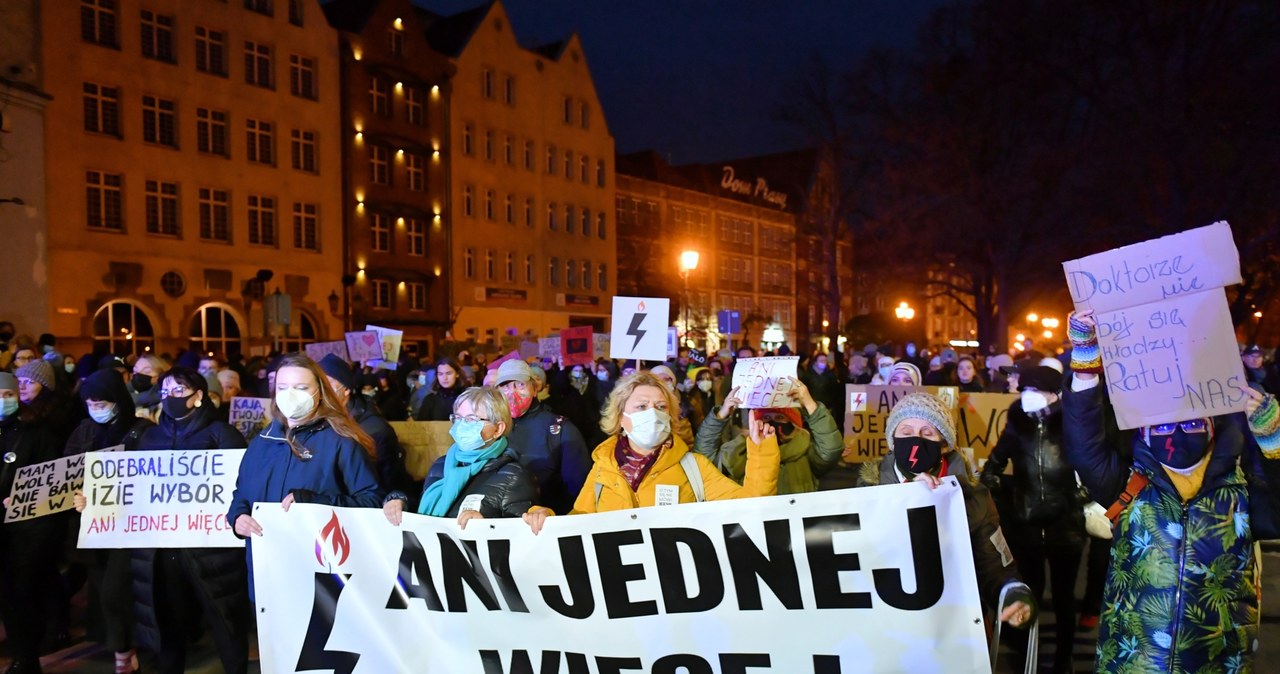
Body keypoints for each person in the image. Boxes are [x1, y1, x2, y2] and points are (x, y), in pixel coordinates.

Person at [1062, 310, 1280, 672]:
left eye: (1193, 422)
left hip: (1215, 662)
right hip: (1134, 659)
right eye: (1162, 425)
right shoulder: (1129, 485)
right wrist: (1085, 364)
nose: (1177, 434)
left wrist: (1273, 444)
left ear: (1213, 428)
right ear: (1144, 432)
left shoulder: (1240, 492)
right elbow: (1084, 445)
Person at [855, 392, 1036, 630]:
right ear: (893, 439)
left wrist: (1012, 595)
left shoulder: (973, 495)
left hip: (951, 627)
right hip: (890, 627)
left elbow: (994, 564)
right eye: (906, 432)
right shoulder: (867, 490)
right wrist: (909, 501)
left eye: (927, 433)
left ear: (943, 444)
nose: (916, 440)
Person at [523, 372, 780, 532]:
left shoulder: (694, 467)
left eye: (660, 406)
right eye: (642, 406)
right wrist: (547, 519)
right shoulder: (603, 468)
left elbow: (751, 507)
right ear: (621, 417)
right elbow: (579, 520)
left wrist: (762, 452)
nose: (653, 413)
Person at [116, 367, 250, 674]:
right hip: (162, 551)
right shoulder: (148, 437)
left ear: (198, 396)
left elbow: (241, 485)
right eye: (165, 392)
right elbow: (130, 488)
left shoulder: (222, 435)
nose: (170, 397)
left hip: (210, 550)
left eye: (179, 391)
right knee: (168, 623)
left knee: (224, 622)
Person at [228, 354, 385, 594]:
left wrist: (314, 502)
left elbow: (371, 502)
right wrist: (237, 517)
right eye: (282, 387)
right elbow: (242, 494)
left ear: (319, 391)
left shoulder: (341, 442)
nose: (290, 394)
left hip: (320, 580)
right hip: (265, 575)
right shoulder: (261, 442)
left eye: (301, 388)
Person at [980, 366, 1083, 672]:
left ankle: (1064, 659)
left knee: (1065, 598)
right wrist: (1003, 498)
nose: (1027, 397)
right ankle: (1028, 655)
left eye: (1034, 391)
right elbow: (993, 466)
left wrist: (1077, 499)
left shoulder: (1072, 425)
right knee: (1029, 592)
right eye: (1023, 390)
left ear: (1054, 395)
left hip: (1065, 526)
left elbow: (1091, 468)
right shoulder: (1016, 424)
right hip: (1025, 526)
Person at [64, 369, 151, 674]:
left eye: (103, 403)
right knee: (104, 592)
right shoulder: (84, 432)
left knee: (116, 592)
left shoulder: (143, 431)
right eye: (91, 403)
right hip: (95, 529)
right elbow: (68, 476)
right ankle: (123, 648)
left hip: (129, 528)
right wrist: (75, 496)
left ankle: (123, 655)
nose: (97, 409)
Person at [383, 387, 538, 526]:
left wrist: (486, 526)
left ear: (498, 428)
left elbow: (520, 537)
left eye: (471, 419)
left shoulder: (514, 475)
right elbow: (423, 510)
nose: (462, 425)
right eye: (458, 418)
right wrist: (400, 502)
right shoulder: (441, 464)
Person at [0, 373, 62, 674]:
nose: (3, 401)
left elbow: (50, 478)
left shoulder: (38, 432)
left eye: (8, 395)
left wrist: (24, 499)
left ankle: (27, 657)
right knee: (6, 596)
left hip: (27, 530)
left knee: (24, 592)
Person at [696, 378, 842, 494]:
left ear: (793, 423)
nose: (771, 423)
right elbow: (704, 458)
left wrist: (809, 404)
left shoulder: (805, 448)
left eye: (779, 418)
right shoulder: (739, 450)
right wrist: (721, 414)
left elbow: (831, 449)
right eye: (765, 419)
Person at [494, 359, 591, 515]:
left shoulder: (560, 430)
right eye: (505, 386)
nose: (512, 393)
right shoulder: (491, 429)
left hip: (545, 526)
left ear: (534, 389)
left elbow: (581, 491)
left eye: (520, 385)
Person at [416, 358, 466, 422]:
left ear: (457, 374)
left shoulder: (466, 399)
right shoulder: (430, 400)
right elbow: (421, 427)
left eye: (448, 373)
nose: (445, 378)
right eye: (440, 374)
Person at [801, 352, 844, 422]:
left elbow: (835, 392)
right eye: (821, 361)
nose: (824, 362)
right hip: (812, 408)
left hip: (827, 408)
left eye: (825, 361)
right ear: (815, 362)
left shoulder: (830, 375)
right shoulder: (808, 375)